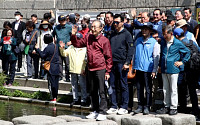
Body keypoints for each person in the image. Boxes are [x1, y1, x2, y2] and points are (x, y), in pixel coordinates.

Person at [71, 20, 113, 121]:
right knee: (92, 90)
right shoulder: (88, 37)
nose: (92, 29)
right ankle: (95, 110)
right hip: (90, 68)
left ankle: (102, 111)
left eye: (95, 27)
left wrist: (108, 71)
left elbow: (108, 57)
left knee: (102, 91)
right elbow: (77, 44)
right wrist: (73, 35)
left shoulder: (104, 40)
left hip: (101, 68)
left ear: (100, 28)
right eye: (92, 27)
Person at [156, 25, 190, 115]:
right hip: (164, 69)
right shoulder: (163, 42)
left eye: (165, 34)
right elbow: (162, 55)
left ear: (171, 33)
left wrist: (182, 62)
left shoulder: (177, 43)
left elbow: (187, 52)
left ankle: (173, 107)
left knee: (173, 89)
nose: (164, 36)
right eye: (163, 34)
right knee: (165, 89)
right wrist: (160, 66)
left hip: (174, 69)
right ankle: (166, 106)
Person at [107, 14, 134, 115]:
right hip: (112, 63)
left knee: (123, 85)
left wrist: (127, 62)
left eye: (117, 22)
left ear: (122, 22)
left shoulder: (127, 34)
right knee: (112, 85)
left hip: (122, 63)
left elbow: (131, 49)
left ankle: (124, 106)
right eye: (114, 22)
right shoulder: (112, 34)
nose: (115, 24)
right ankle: (114, 105)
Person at [133, 22, 160, 115]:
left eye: (146, 29)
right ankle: (140, 105)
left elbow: (156, 56)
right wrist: (133, 66)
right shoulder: (138, 40)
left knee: (148, 89)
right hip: (138, 68)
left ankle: (147, 106)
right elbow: (135, 54)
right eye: (143, 29)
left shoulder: (154, 42)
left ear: (150, 31)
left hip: (148, 69)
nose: (144, 30)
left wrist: (154, 70)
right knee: (139, 88)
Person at [174, 28, 200, 119]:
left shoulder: (179, 44)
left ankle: (183, 108)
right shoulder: (192, 42)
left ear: (176, 36)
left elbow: (179, 57)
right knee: (192, 91)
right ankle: (195, 110)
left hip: (184, 70)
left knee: (182, 90)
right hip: (194, 70)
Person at [59, 41, 88, 107]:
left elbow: (86, 60)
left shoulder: (84, 48)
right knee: (74, 86)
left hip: (81, 70)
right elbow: (64, 54)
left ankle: (84, 100)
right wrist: (62, 48)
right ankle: (75, 99)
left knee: (83, 85)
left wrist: (84, 69)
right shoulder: (71, 47)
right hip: (73, 69)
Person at [35, 34, 59, 103]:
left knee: (51, 83)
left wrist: (37, 49)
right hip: (56, 66)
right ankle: (55, 97)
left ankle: (53, 97)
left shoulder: (48, 48)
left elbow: (43, 55)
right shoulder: (56, 46)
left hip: (50, 67)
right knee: (56, 82)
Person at [52, 15, 72, 82]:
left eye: (64, 20)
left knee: (67, 63)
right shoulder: (56, 27)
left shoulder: (69, 27)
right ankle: (60, 76)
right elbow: (53, 35)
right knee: (59, 63)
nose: (63, 21)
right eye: (61, 20)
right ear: (59, 21)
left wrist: (71, 42)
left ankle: (67, 76)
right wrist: (54, 41)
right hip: (58, 47)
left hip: (66, 48)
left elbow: (73, 36)